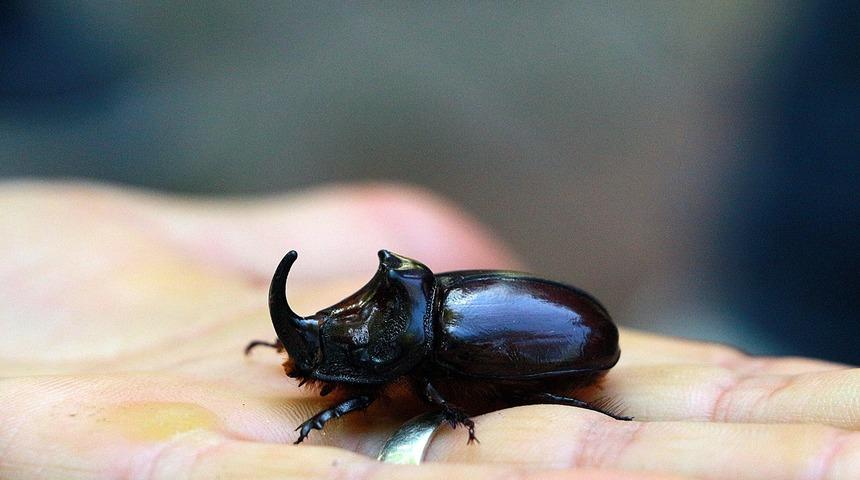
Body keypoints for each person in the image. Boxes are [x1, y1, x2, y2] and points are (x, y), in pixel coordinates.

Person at [1, 182, 857, 480]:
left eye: (327, 350)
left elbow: (411, 382)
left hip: (577, 348)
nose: (317, 354)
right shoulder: (413, 314)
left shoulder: (430, 352)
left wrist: (342, 409)